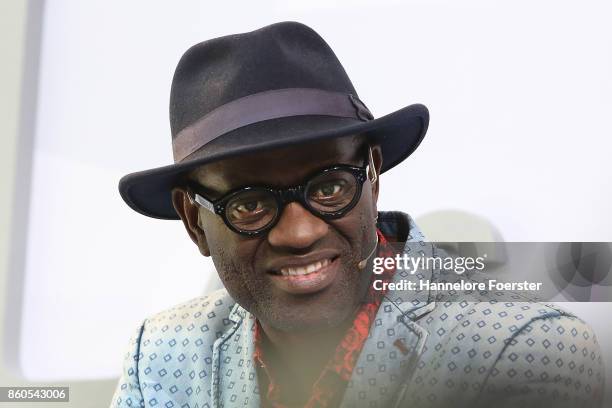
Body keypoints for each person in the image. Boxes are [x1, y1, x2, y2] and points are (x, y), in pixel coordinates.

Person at [111, 22, 604, 408]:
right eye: (250, 204)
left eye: (329, 187)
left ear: (373, 174)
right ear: (194, 221)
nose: (299, 232)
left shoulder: (527, 349)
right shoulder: (158, 353)